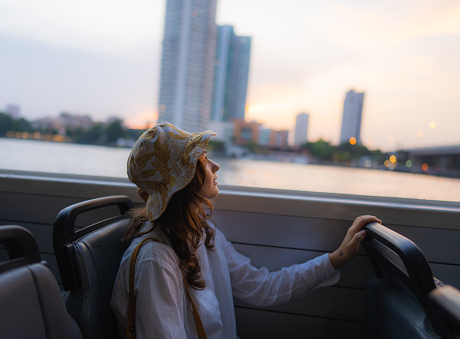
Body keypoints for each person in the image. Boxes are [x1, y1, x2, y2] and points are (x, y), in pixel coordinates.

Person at [110, 122, 380, 338]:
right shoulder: (156, 261)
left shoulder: (201, 234)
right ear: (182, 181)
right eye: (202, 159)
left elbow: (262, 288)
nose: (215, 165)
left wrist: (337, 258)